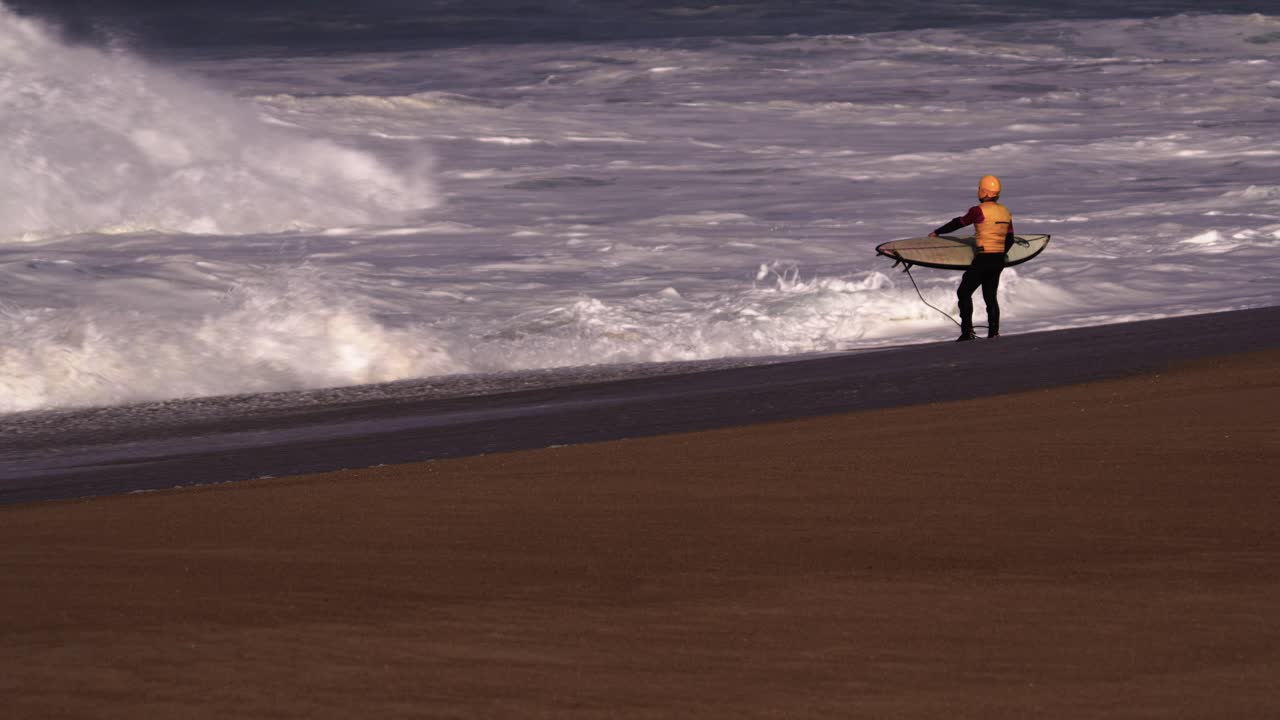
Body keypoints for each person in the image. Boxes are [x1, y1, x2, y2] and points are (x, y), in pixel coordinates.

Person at [929, 175, 1015, 341]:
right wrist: (1000, 255)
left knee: (964, 292)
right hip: (998, 260)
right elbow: (1010, 239)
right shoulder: (1005, 212)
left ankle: (967, 332)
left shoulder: (977, 211)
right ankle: (994, 333)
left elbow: (959, 223)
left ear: (983, 191)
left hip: (983, 259)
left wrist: (938, 232)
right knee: (990, 296)